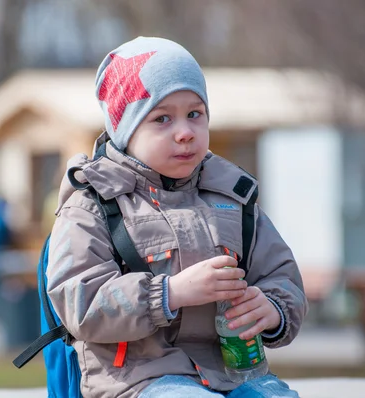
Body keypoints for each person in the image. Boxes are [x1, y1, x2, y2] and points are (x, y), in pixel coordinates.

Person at [46, 36, 307, 398]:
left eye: (194, 114)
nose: (184, 132)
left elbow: (283, 276)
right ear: (126, 130)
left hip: (235, 374)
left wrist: (274, 310)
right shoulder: (92, 204)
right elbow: (81, 304)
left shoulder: (233, 196)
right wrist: (170, 293)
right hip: (139, 380)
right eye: (162, 118)